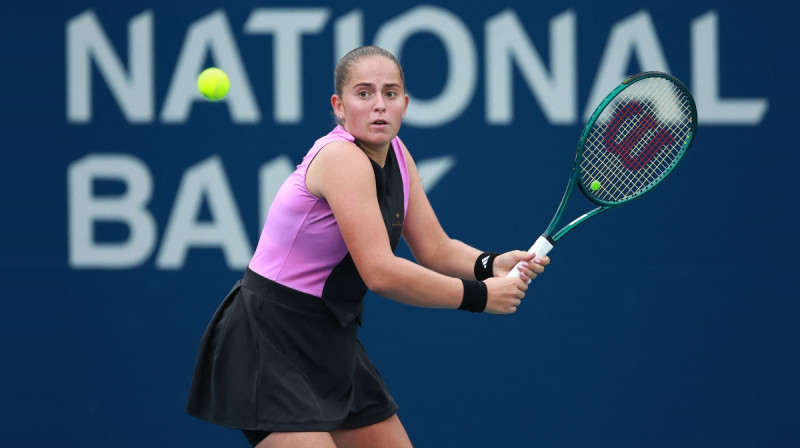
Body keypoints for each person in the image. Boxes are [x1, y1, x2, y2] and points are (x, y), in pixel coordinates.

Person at [186, 45, 550, 448]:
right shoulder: (341, 158)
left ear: (405, 104)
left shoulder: (396, 153)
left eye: (390, 94)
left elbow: (435, 247)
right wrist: (479, 296)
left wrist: (490, 264)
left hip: (329, 337)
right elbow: (379, 273)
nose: (379, 105)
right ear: (339, 106)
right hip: (271, 338)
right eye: (364, 94)